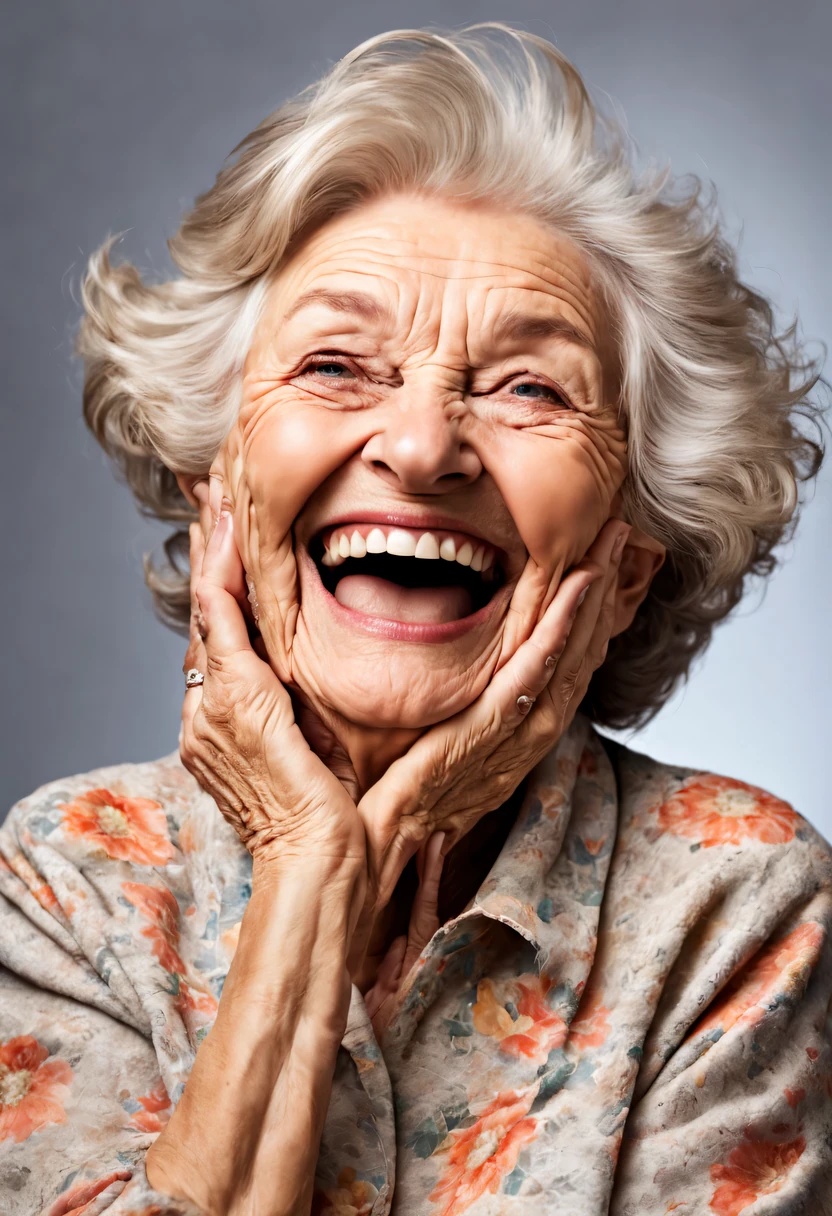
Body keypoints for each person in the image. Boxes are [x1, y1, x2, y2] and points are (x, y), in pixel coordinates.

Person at [1, 24, 829, 1216]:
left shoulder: (733, 907)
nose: (424, 446)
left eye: (528, 388)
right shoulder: (74, 881)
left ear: (630, 564)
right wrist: (311, 865)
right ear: (214, 487)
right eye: (338, 365)